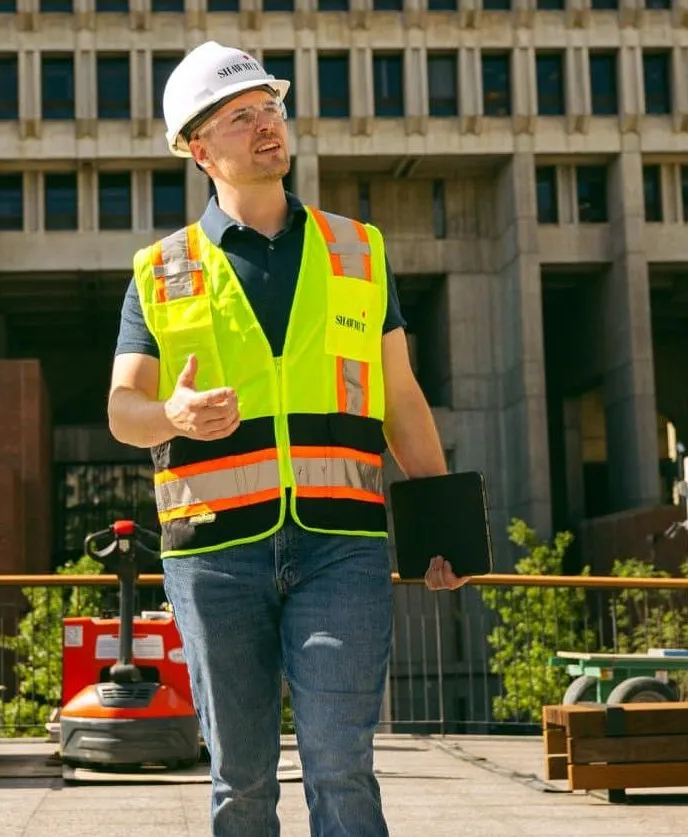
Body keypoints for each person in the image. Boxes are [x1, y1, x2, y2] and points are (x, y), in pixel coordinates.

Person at [107, 41, 464, 837]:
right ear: (200, 149)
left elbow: (400, 396)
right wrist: (174, 414)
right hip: (212, 556)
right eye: (241, 116)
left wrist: (443, 529)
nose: (267, 125)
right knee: (240, 780)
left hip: (342, 547)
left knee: (342, 767)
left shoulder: (357, 250)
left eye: (272, 109)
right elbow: (123, 410)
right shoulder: (161, 270)